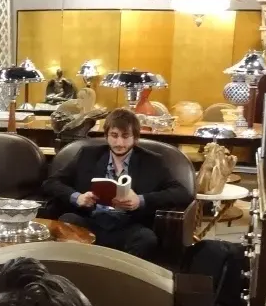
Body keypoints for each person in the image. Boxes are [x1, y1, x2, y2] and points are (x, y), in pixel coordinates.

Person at [41, 107, 191, 260]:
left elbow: (182, 193)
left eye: (125, 136)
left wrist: (140, 200)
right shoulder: (87, 155)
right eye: (114, 135)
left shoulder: (152, 161)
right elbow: (51, 183)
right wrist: (77, 197)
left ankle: (120, 273)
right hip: (90, 220)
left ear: (135, 138)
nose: (119, 143)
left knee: (146, 239)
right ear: (106, 136)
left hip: (128, 225)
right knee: (68, 221)